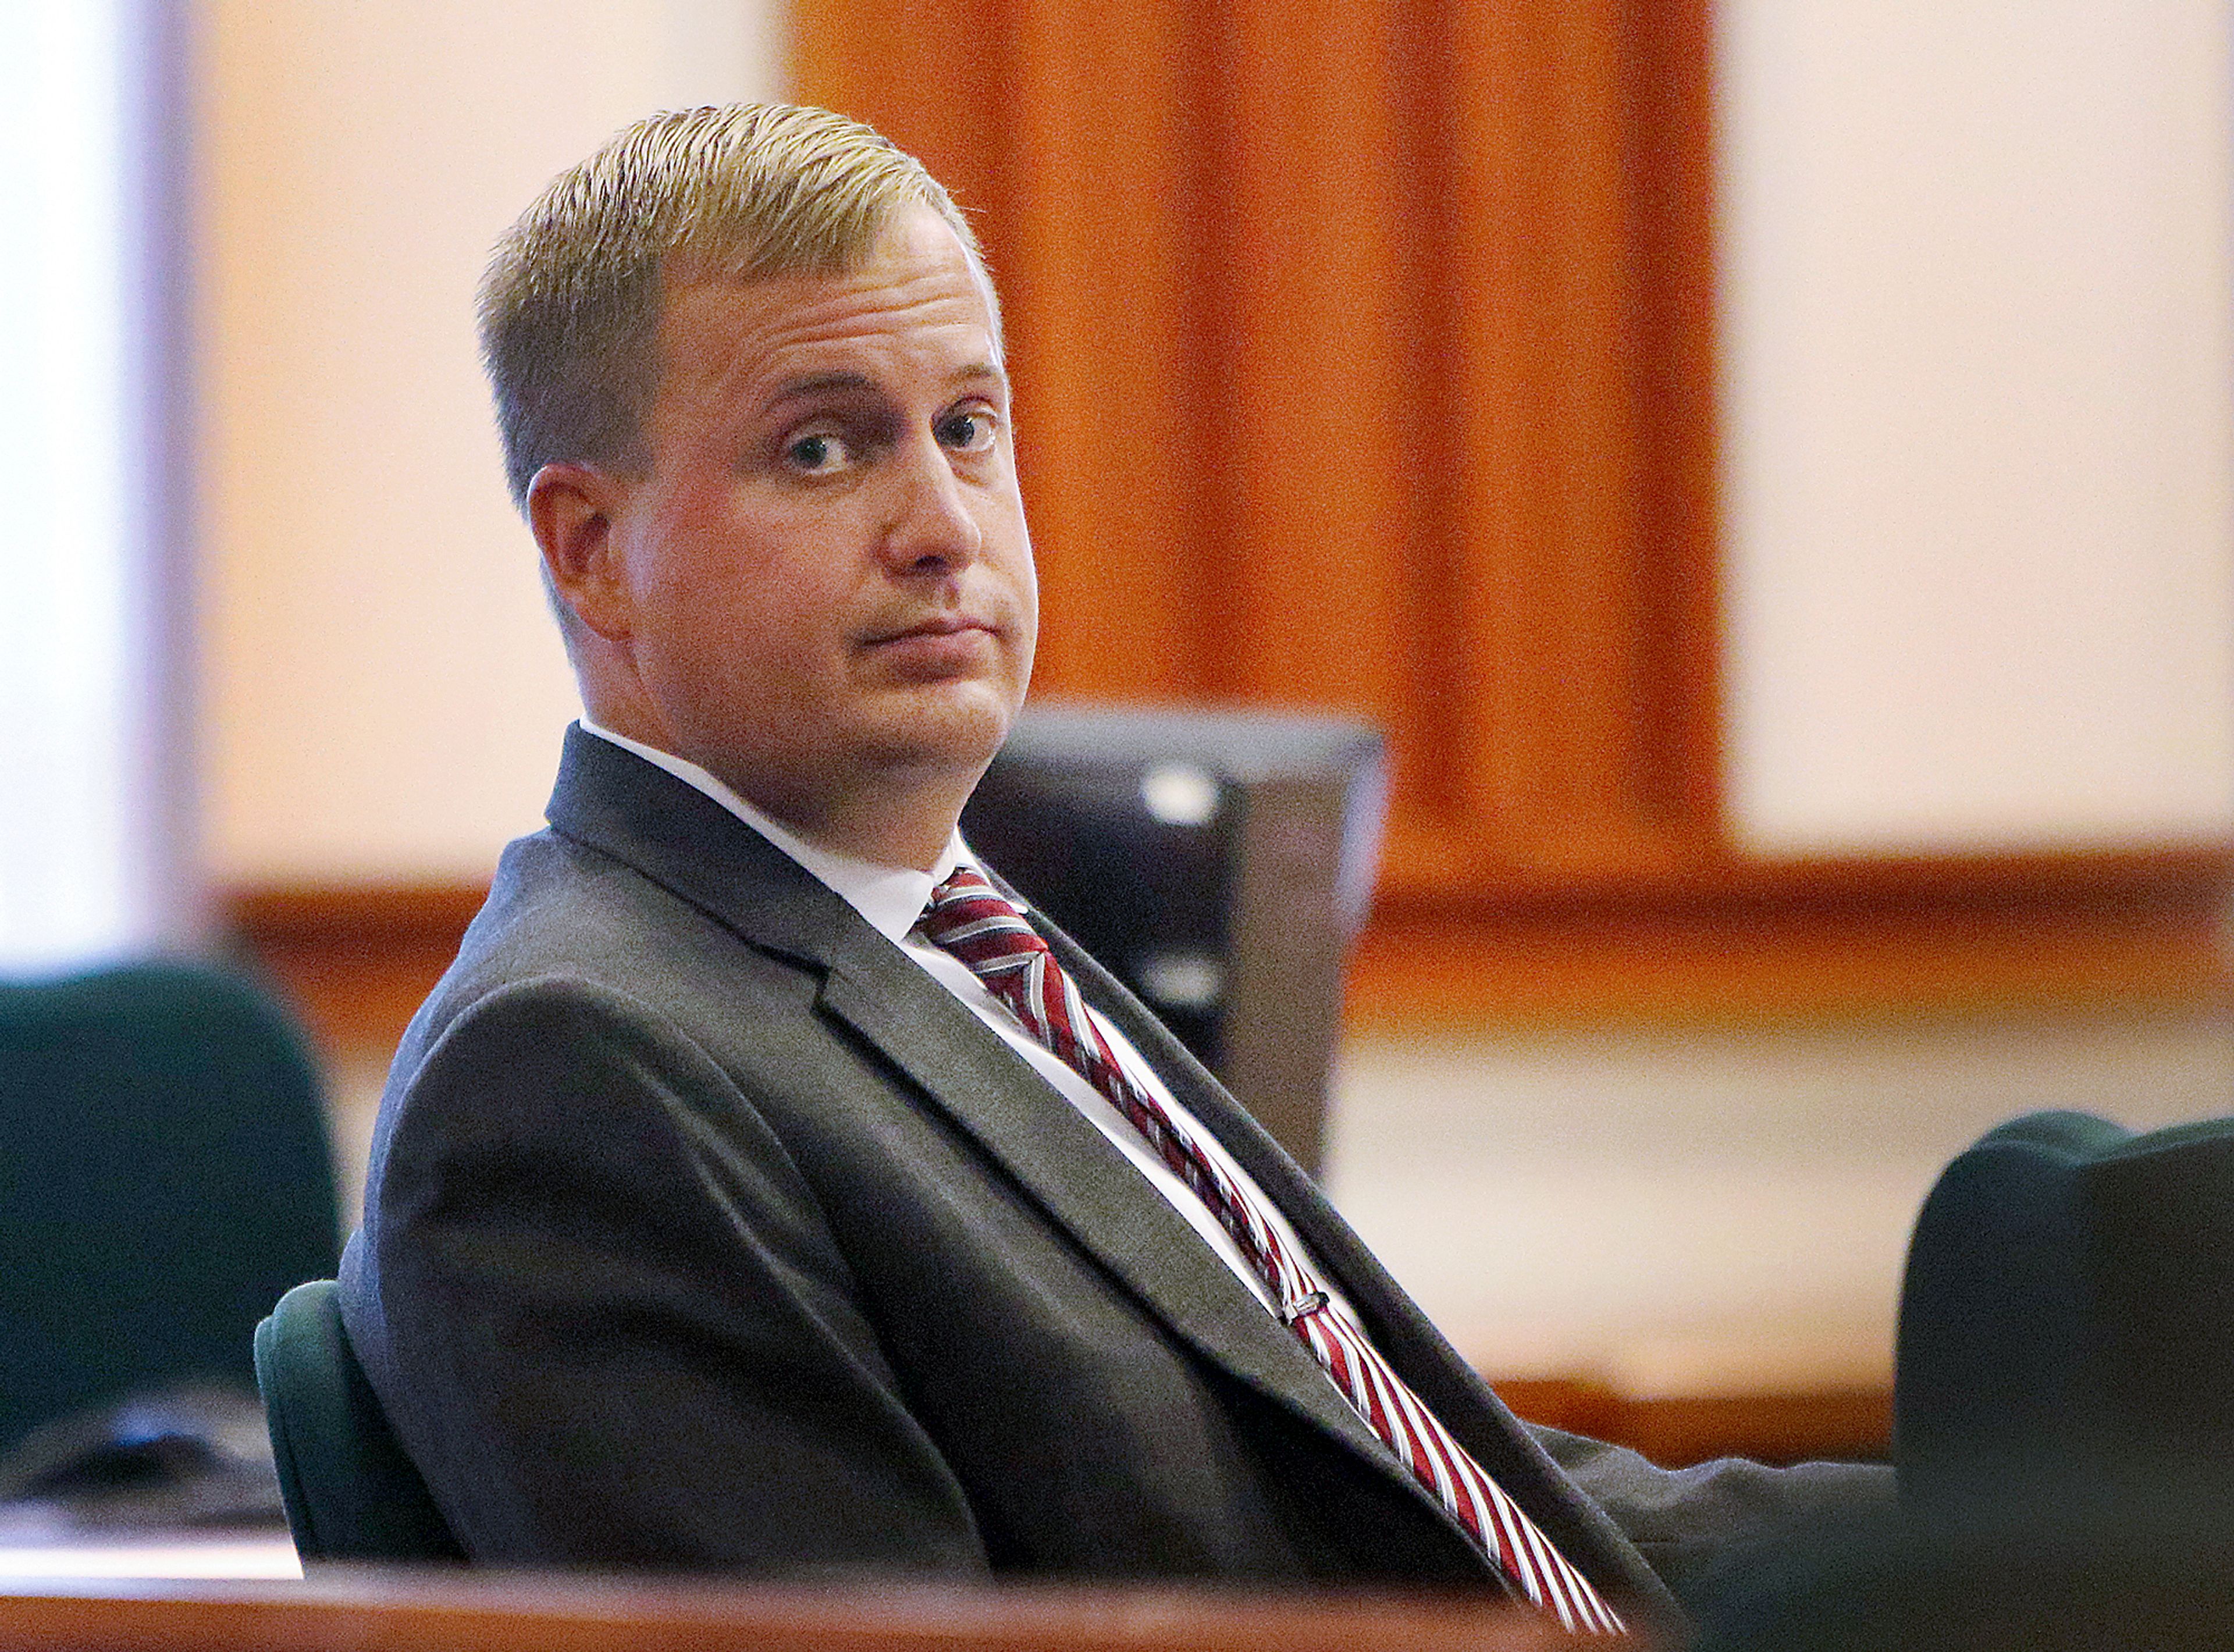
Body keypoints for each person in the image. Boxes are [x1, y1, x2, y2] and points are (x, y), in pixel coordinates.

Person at [339, 103, 1887, 1635]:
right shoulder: (574, 1071)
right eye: (822, 448)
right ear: (595, 550)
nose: (945, 526)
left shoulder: (963, 944)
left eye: (967, 425)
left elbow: (1409, 1502)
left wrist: (1995, 1546)